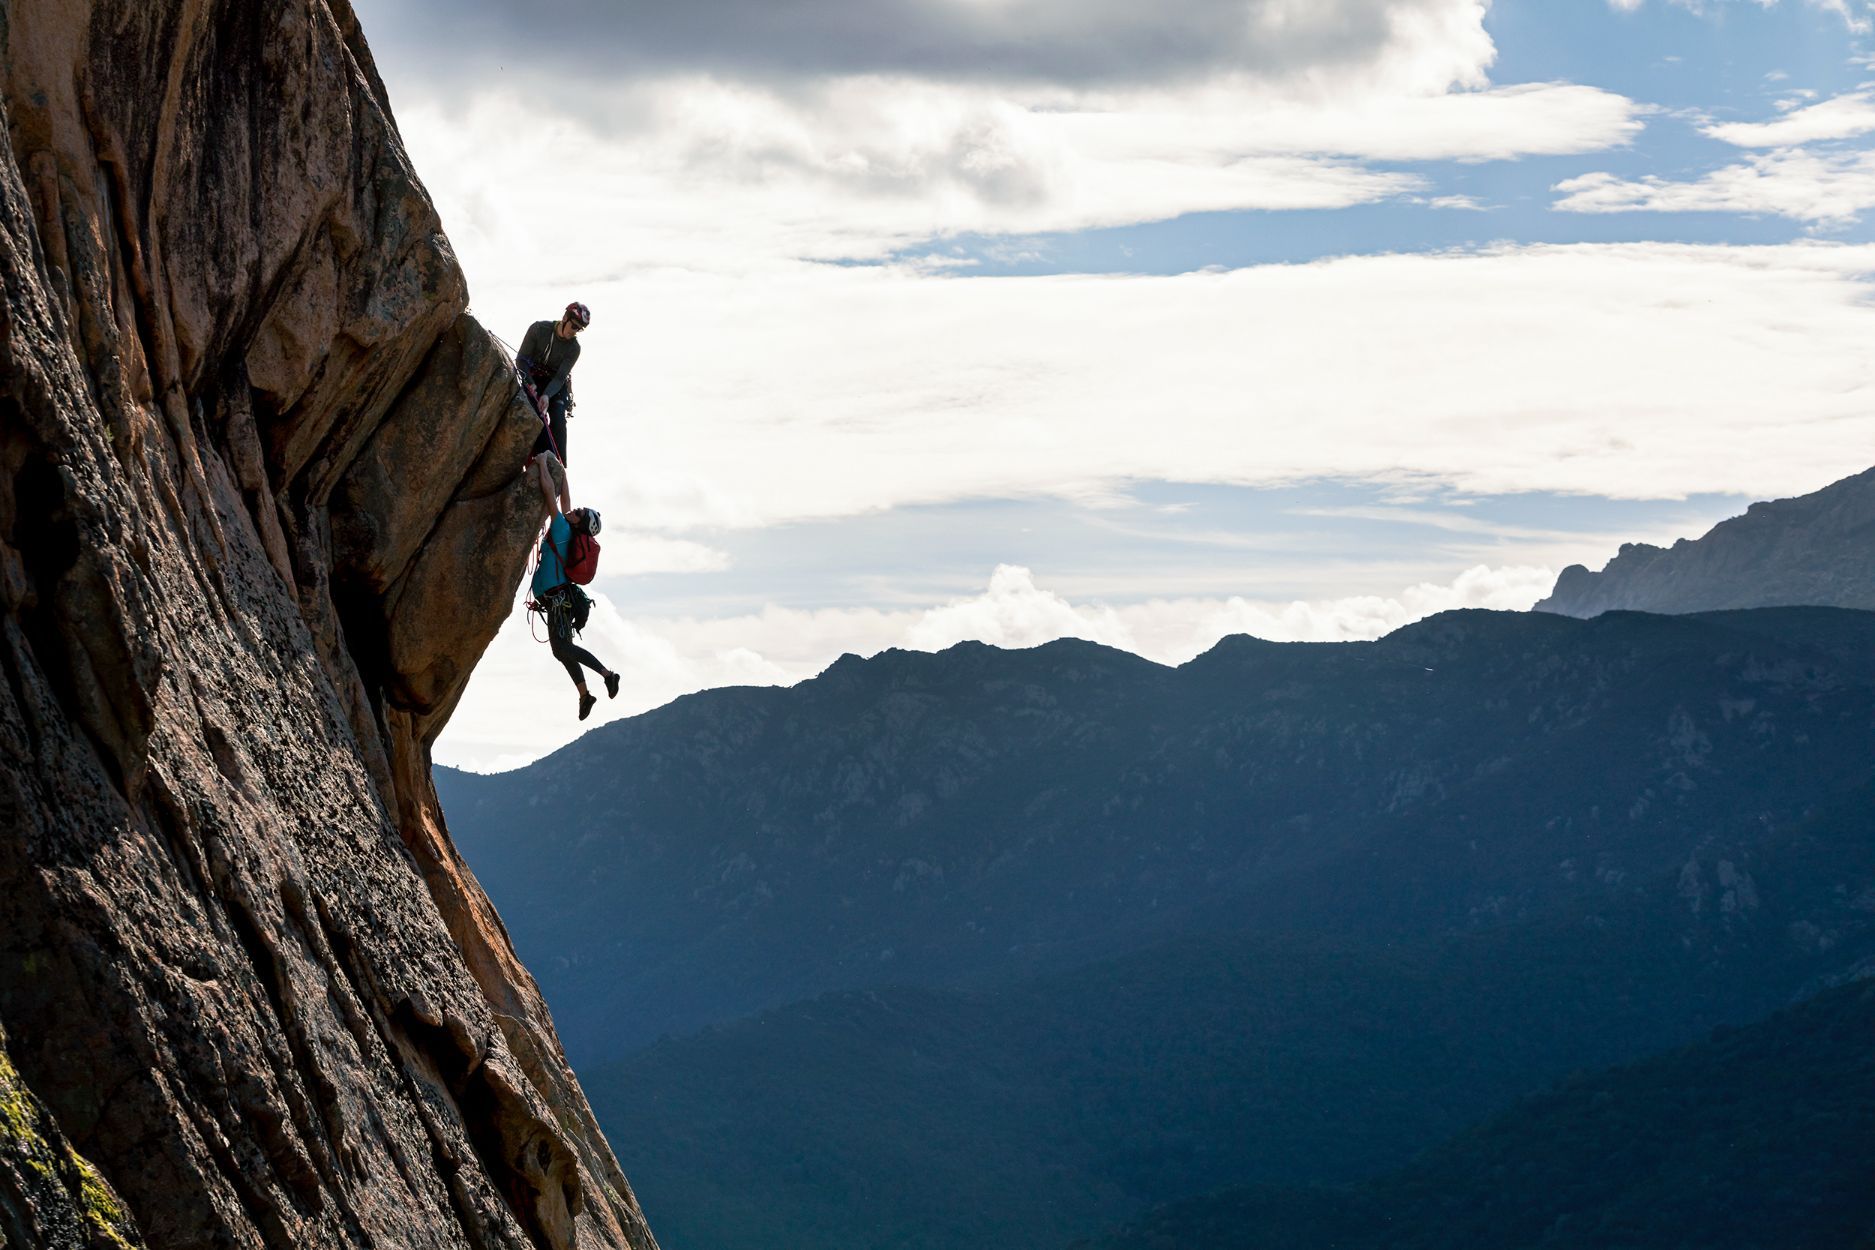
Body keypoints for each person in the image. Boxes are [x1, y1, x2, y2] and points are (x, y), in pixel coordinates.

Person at [532, 456, 619, 720]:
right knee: (562, 649)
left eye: (578, 513)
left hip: (557, 598)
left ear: (578, 523)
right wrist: (564, 473)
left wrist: (542, 465)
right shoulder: (568, 529)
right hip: (558, 599)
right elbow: (565, 500)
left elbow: (549, 492)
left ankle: (607, 674)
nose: (574, 510)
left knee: (561, 649)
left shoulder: (561, 526)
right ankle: (584, 695)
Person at [517, 301, 590, 465]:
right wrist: (530, 383)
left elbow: (559, 378)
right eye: (574, 326)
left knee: (558, 418)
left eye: (579, 329)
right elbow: (521, 360)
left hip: (555, 386)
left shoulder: (574, 349)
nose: (574, 331)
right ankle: (537, 459)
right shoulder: (538, 330)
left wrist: (547, 396)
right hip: (533, 378)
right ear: (565, 318)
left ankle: (560, 466)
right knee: (537, 416)